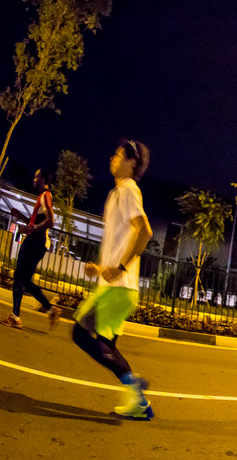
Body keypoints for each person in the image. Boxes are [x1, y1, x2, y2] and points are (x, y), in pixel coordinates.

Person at [71, 139, 154, 419]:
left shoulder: (129, 190)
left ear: (132, 163)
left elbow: (144, 232)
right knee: (108, 346)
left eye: (119, 154)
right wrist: (102, 267)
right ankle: (139, 402)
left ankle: (134, 383)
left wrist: (118, 268)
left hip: (118, 287)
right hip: (116, 285)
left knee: (80, 334)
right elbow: (122, 239)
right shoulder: (116, 194)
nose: (113, 157)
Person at [0, 169, 61, 330]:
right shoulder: (42, 197)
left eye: (36, 177)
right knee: (24, 279)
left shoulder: (46, 196)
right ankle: (50, 310)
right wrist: (22, 217)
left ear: (43, 179)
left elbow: (50, 221)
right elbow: (38, 222)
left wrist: (30, 230)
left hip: (35, 241)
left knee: (19, 276)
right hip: (37, 242)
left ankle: (16, 317)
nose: (34, 180)